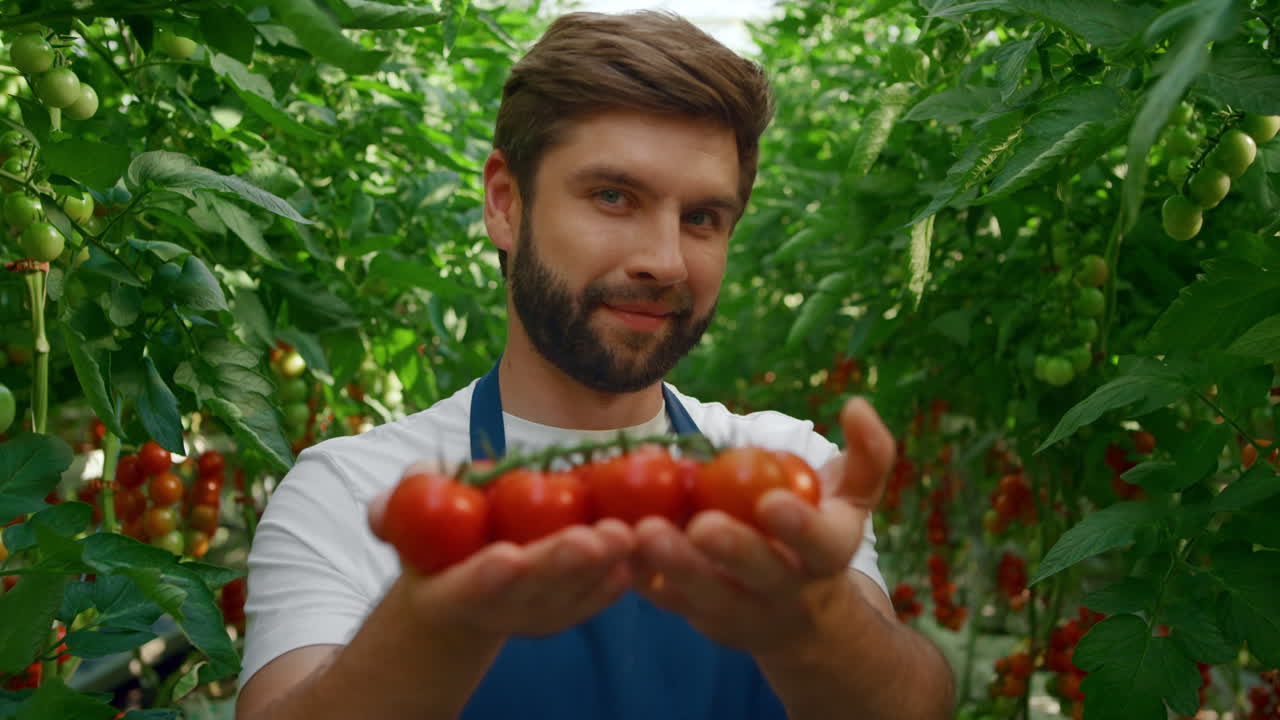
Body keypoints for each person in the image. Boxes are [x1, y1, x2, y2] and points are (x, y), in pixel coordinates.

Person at [234, 10, 954, 720]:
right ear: (506, 204)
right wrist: (437, 626)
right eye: (614, 197)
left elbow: (916, 705)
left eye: (702, 217)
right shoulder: (355, 494)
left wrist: (813, 620)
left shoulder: (776, 465)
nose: (665, 261)